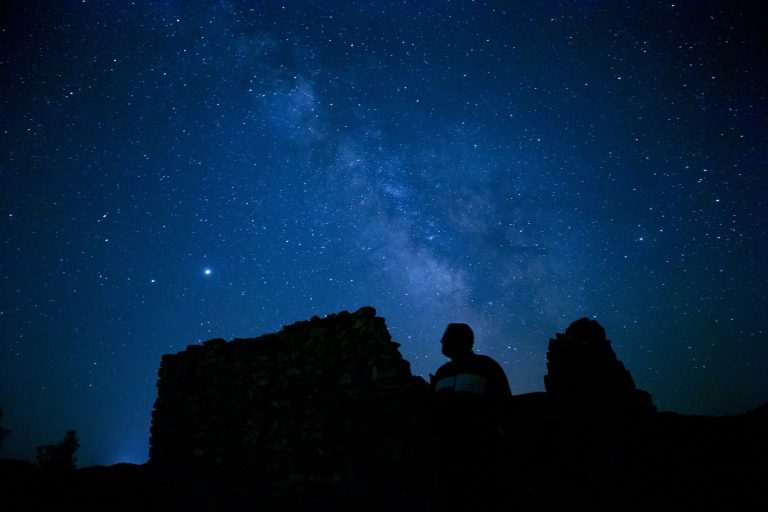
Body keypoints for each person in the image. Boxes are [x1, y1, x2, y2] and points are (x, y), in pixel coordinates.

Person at [427, 323, 512, 511]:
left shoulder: (486, 366)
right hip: (446, 455)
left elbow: (504, 403)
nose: (441, 341)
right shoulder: (443, 372)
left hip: (480, 454)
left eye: (446, 337)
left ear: (461, 340)